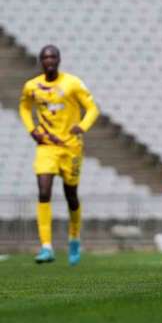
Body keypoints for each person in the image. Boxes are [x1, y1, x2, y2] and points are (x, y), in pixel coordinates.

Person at [19, 45, 99, 265]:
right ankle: (46, 246)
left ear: (59, 60)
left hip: (71, 147)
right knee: (44, 191)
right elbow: (24, 108)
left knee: (70, 195)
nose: (49, 60)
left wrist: (82, 126)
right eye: (45, 57)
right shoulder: (32, 86)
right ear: (41, 61)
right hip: (46, 147)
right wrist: (32, 129)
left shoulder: (72, 83)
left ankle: (74, 237)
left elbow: (93, 109)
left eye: (53, 56)